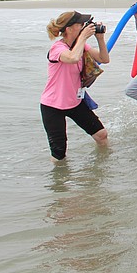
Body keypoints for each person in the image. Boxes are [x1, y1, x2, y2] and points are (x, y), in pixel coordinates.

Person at [41, 11, 109, 162]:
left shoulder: (82, 45)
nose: (84, 27)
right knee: (59, 154)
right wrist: (84, 36)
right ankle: (59, 183)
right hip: (53, 106)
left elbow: (104, 59)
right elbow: (72, 58)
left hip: (74, 102)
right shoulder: (57, 49)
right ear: (69, 29)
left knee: (101, 135)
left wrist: (100, 39)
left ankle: (100, 168)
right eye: (81, 25)